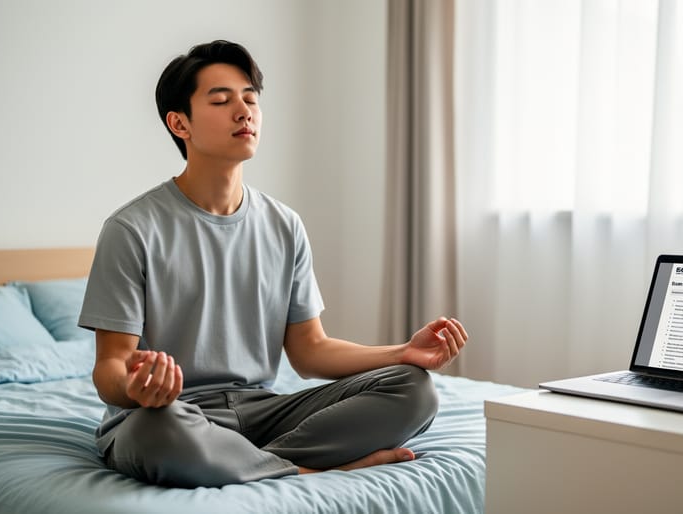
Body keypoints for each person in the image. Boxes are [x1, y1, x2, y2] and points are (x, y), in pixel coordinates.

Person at [78, 40, 468, 488]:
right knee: (153, 434)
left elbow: (309, 351)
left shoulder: (285, 225)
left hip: (262, 412)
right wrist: (136, 388)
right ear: (179, 123)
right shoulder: (131, 229)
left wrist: (401, 353)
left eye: (250, 99)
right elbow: (110, 367)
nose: (244, 112)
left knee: (413, 389)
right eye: (221, 101)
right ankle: (309, 468)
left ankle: (246, 463)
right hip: (172, 414)